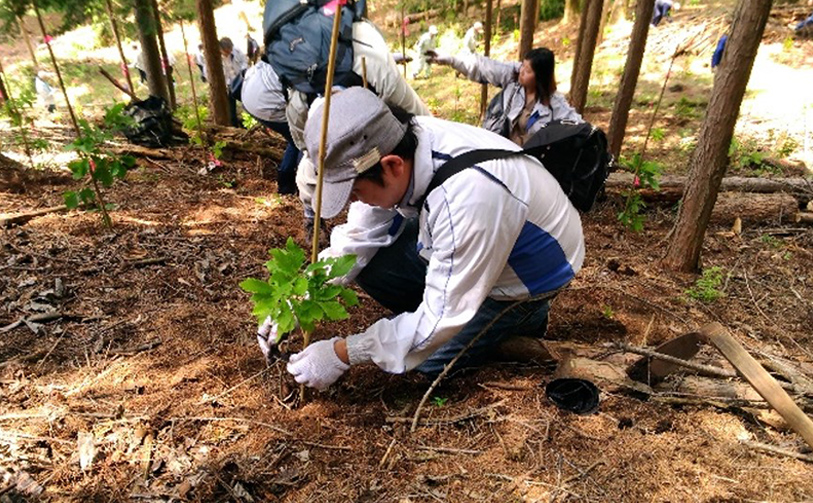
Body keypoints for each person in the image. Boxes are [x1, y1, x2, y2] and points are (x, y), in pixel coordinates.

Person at [277, 87, 584, 391]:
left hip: (526, 279)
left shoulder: (468, 198)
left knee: (426, 361)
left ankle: (523, 317)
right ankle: (439, 306)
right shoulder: (400, 140)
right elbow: (360, 236)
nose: (354, 202)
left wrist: (343, 353)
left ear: (392, 165)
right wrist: (300, 296)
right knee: (371, 264)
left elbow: (440, 319)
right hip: (479, 238)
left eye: (355, 192)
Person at [286, 19, 431, 238]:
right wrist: (336, 174)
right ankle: (312, 218)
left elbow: (421, 122)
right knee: (306, 177)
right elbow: (304, 149)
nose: (350, 201)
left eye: (354, 193)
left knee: (385, 193)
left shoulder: (379, 76)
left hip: (382, 143)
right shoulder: (298, 105)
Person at [429, 47, 582, 146]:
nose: (522, 71)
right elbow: (484, 67)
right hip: (496, 144)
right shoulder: (513, 76)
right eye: (523, 65)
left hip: (528, 160)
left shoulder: (553, 104)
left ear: (540, 76)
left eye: (528, 71)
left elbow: (578, 127)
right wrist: (452, 60)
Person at [241, 60, 300, 194]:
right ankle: (295, 184)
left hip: (250, 99)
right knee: (303, 140)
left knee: (295, 139)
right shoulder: (297, 63)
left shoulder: (277, 53)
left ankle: (287, 183)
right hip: (266, 106)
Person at [219, 37, 249, 127]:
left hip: (240, 81)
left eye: (230, 49)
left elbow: (244, 62)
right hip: (228, 84)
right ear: (221, 49)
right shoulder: (216, 58)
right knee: (231, 106)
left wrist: (242, 72)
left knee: (246, 102)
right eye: (227, 51)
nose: (229, 52)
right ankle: (234, 124)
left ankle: (248, 122)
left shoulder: (237, 51)